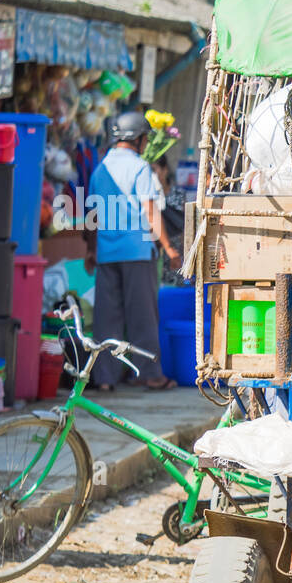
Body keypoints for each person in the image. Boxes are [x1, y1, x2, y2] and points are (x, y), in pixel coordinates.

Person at [87, 112, 180, 390]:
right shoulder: (140, 167)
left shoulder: (99, 169)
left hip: (107, 253)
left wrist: (91, 251)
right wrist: (168, 247)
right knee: (142, 316)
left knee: (107, 318)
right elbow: (149, 209)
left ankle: (104, 378)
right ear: (139, 139)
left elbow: (91, 215)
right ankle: (151, 376)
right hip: (137, 252)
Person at [151, 156, 186, 286]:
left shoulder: (178, 194)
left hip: (174, 254)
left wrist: (184, 255)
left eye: (154, 170)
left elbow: (185, 227)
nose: (151, 175)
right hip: (154, 254)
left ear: (165, 170)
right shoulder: (146, 198)